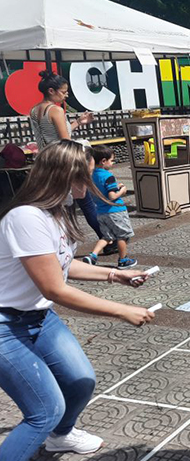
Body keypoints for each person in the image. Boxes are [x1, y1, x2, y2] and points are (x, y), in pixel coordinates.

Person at [0, 140, 155, 461]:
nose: (90, 182)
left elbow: (63, 264)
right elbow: (54, 288)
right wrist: (121, 310)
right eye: (85, 176)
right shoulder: (26, 217)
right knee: (45, 410)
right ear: (63, 176)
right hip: (5, 326)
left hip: (39, 318)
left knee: (80, 381)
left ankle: (61, 437)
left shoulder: (55, 214)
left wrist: (116, 275)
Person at [28, 71, 107, 252]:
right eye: (63, 92)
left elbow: (53, 134)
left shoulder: (34, 110)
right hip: (63, 161)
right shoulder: (56, 110)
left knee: (61, 204)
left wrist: (78, 122)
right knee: (85, 202)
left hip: (45, 161)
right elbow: (65, 140)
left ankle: (64, 243)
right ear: (51, 91)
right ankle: (105, 240)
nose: (66, 95)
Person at [86, 146, 137, 269]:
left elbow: (102, 190)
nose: (113, 163)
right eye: (112, 160)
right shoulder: (108, 175)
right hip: (115, 211)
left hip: (101, 212)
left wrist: (116, 186)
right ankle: (123, 260)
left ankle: (92, 255)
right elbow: (112, 196)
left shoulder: (92, 175)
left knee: (107, 237)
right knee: (122, 236)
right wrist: (122, 191)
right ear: (104, 161)